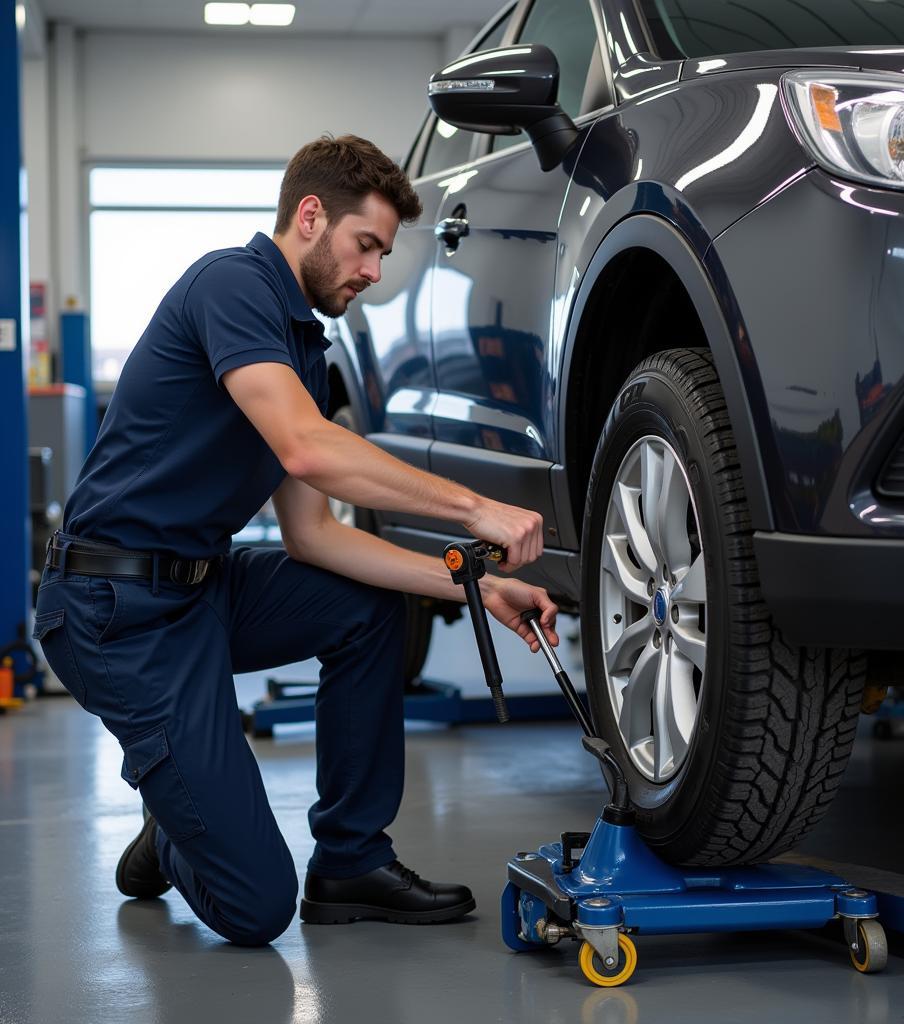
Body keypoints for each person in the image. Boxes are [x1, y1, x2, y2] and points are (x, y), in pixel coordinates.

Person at [33, 134, 560, 946]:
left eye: (383, 254)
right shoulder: (232, 285)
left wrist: (477, 586)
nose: (374, 271)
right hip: (115, 608)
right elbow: (307, 448)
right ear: (310, 216)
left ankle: (351, 860)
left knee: (371, 605)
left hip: (204, 587)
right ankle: (172, 832)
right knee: (255, 908)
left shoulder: (302, 343)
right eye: (366, 246)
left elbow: (313, 537)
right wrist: (474, 511)